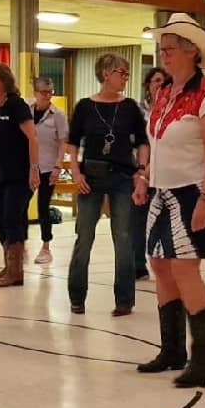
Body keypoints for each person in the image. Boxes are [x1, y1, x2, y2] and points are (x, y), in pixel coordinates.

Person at [136, 14, 205, 388]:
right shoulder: (163, 93)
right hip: (160, 191)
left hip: (192, 191)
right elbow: (155, 142)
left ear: (191, 52)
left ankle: (202, 359)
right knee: (159, 264)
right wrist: (145, 178)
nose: (164, 56)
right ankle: (172, 349)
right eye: (162, 49)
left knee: (185, 269)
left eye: (170, 49)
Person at [66, 54, 150, 316]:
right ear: (105, 73)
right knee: (85, 236)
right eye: (120, 72)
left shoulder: (130, 108)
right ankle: (77, 296)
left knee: (123, 238)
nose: (125, 76)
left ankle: (124, 299)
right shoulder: (84, 107)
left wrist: (142, 172)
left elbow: (142, 143)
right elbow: (71, 144)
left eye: (127, 73)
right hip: (91, 177)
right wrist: (76, 173)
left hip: (123, 178)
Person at [0, 63, 40, 288]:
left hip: (21, 173)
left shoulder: (17, 105)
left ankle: (16, 271)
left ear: (5, 80)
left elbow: (32, 137)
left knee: (11, 218)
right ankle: (10, 263)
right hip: (4, 174)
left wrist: (34, 169)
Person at [133, 67, 169, 280]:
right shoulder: (138, 110)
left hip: (165, 172)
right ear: (148, 85)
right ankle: (138, 264)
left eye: (164, 82)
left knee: (162, 221)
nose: (160, 85)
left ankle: (162, 262)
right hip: (142, 171)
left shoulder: (172, 110)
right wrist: (140, 168)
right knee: (138, 220)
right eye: (156, 81)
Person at [31, 77, 68, 265]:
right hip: (29, 167)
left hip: (48, 167)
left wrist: (58, 166)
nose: (48, 95)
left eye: (50, 91)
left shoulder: (58, 115)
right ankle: (17, 245)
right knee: (19, 206)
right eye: (44, 92)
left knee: (43, 207)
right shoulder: (27, 112)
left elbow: (63, 142)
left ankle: (46, 247)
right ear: (35, 93)